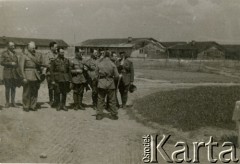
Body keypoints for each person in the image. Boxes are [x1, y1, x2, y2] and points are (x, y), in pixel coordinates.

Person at [18, 41, 44, 111]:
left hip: (35, 76)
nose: (34, 49)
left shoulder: (36, 56)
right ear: (28, 48)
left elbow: (38, 65)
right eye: (32, 48)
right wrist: (23, 77)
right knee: (26, 92)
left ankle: (33, 106)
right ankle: (26, 106)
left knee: (34, 92)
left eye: (34, 48)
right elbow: (21, 68)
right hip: (27, 75)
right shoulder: (24, 55)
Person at [95, 51, 119, 120]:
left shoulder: (99, 64)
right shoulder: (112, 64)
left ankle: (99, 115)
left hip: (101, 84)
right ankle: (113, 114)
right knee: (112, 100)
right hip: (111, 84)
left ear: (104, 56)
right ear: (110, 56)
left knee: (100, 100)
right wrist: (112, 79)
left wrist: (99, 81)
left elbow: (96, 76)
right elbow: (117, 76)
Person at [0, 41, 20, 108]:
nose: (13, 47)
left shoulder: (15, 54)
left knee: (13, 88)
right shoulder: (4, 53)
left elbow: (17, 63)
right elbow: (1, 62)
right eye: (12, 46)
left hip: (14, 73)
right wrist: (10, 63)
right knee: (7, 88)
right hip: (7, 73)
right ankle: (7, 102)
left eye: (14, 46)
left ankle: (13, 102)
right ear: (8, 46)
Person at [44, 41, 58, 107]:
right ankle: (51, 101)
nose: (56, 48)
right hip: (49, 73)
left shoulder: (57, 54)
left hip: (57, 74)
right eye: (55, 47)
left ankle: (56, 101)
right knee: (51, 87)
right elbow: (46, 64)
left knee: (56, 87)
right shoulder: (47, 54)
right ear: (51, 47)